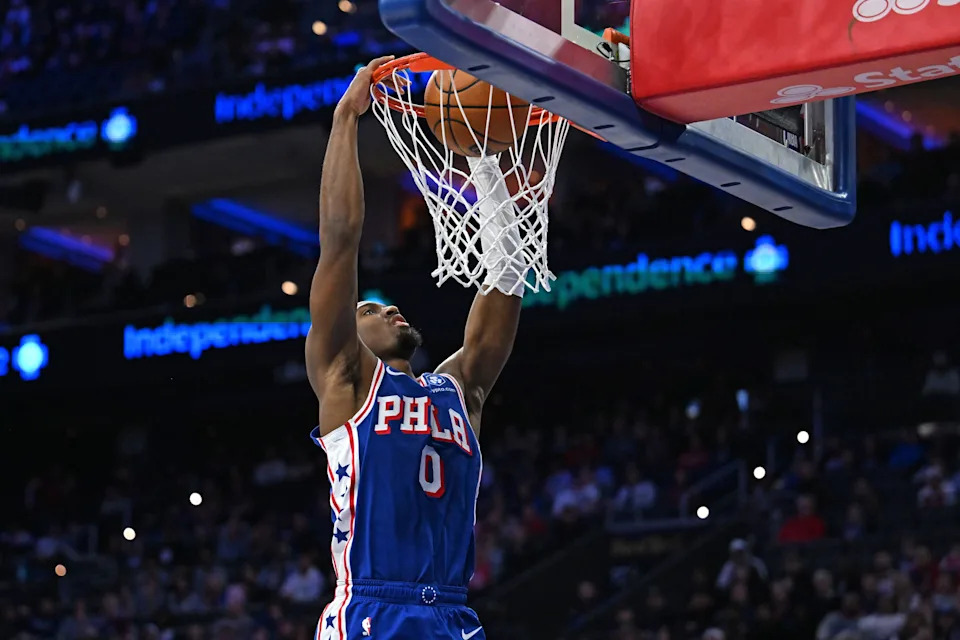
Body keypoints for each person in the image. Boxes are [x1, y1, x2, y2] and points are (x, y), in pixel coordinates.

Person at [305, 56, 525, 640]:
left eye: (384, 304)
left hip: (454, 612)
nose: (386, 308)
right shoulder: (347, 381)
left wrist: (488, 168)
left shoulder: (456, 391)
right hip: (374, 609)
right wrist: (347, 118)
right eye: (369, 308)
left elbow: (504, 287)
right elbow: (340, 241)